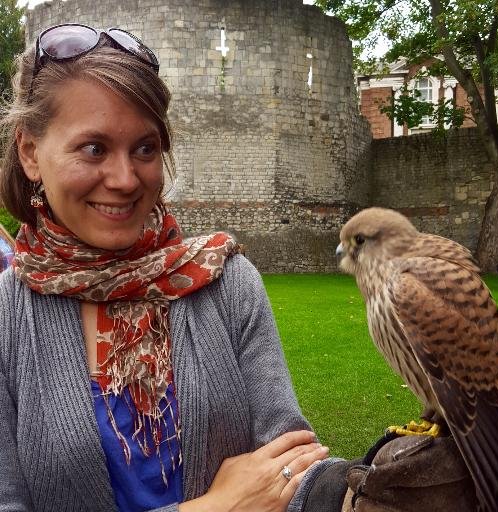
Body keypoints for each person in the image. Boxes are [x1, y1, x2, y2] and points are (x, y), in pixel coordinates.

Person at [0, 24, 335, 512]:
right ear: (30, 151)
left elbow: (289, 464)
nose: (125, 179)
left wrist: (353, 493)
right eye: (94, 148)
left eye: (144, 148)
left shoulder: (226, 283)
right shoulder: (7, 316)